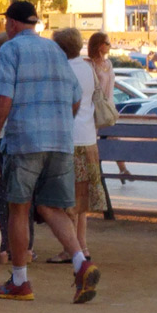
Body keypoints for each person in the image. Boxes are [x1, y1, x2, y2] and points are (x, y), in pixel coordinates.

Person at [0, 0, 100, 304]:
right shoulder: (56, 50)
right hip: (61, 140)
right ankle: (80, 262)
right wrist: (60, 124)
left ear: (12, 24)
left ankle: (20, 280)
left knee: (19, 208)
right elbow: (75, 97)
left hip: (25, 140)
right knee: (52, 208)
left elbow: (3, 99)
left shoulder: (10, 49)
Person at [0, 32, 35, 266]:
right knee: (23, 196)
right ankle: (26, 248)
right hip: (23, 139)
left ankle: (0, 247)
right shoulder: (27, 76)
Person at [48, 28, 106, 263]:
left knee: (67, 197)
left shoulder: (62, 69)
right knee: (82, 200)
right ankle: (82, 244)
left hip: (68, 139)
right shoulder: (87, 67)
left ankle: (71, 248)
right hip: (89, 137)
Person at [88, 32, 131, 180]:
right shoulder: (91, 64)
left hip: (109, 107)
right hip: (96, 108)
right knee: (95, 139)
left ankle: (123, 169)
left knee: (113, 137)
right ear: (99, 45)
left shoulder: (109, 63)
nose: (109, 46)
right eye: (107, 43)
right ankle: (97, 170)